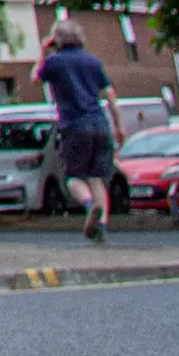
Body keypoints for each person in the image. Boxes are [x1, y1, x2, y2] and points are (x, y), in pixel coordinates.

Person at [39, 19, 116, 241]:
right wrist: (119, 126)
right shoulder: (92, 61)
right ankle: (101, 226)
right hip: (100, 124)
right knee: (96, 178)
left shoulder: (55, 62)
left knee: (73, 177)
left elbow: (36, 77)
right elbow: (110, 94)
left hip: (74, 126)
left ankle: (90, 205)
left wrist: (43, 51)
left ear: (57, 39)